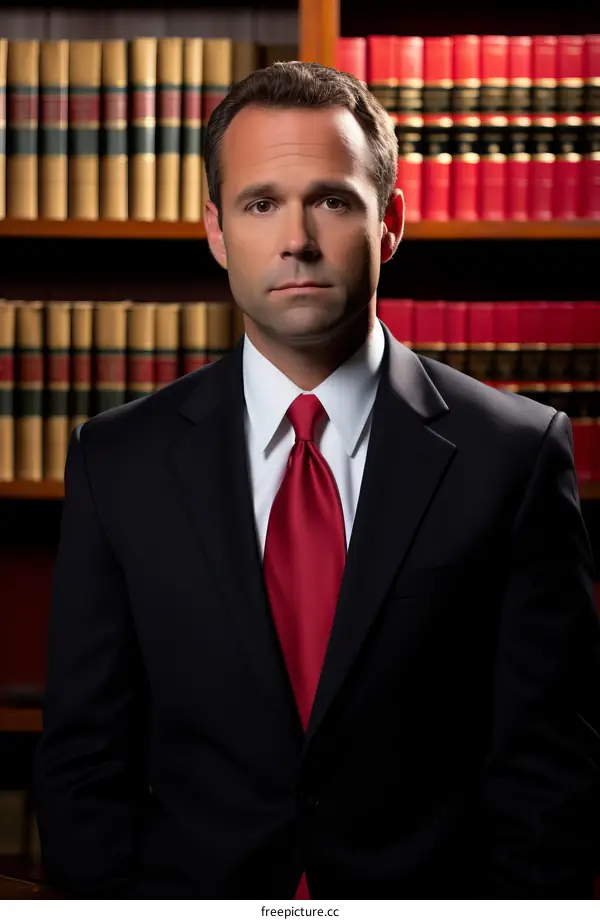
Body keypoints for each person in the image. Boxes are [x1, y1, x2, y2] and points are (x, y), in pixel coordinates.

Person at [33, 60, 600, 899]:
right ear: (217, 231)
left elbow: (549, 778)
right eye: (260, 204)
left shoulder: (514, 456)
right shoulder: (116, 462)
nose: (295, 239)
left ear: (390, 223)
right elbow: (84, 765)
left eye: (331, 201)